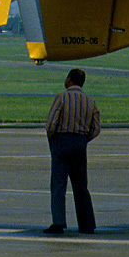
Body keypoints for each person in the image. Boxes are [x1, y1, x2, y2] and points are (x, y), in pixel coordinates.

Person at [44, 68, 100, 235]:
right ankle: (87, 224)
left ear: (69, 80)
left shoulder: (61, 97)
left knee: (59, 184)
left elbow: (51, 124)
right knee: (81, 185)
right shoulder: (90, 101)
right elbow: (96, 128)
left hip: (62, 141)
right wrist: (83, 139)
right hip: (80, 143)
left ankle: (59, 222)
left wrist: (53, 140)